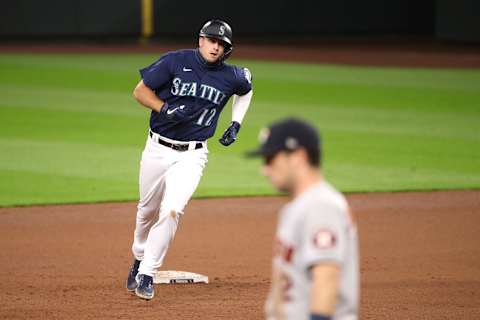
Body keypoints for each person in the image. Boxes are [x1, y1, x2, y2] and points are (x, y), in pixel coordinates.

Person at [126, 19, 253, 300]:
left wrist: (236, 123)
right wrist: (164, 109)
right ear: (201, 40)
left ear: (226, 50)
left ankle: (147, 272)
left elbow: (246, 89)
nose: (215, 46)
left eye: (221, 44)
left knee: (172, 209)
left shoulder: (232, 76)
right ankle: (138, 257)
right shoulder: (174, 61)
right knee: (147, 211)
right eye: (211, 40)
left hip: (193, 154)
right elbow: (140, 91)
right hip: (157, 149)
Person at [248, 118, 359, 320]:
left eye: (270, 160)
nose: (264, 170)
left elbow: (326, 279)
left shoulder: (321, 206)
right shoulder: (295, 208)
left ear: (298, 157)